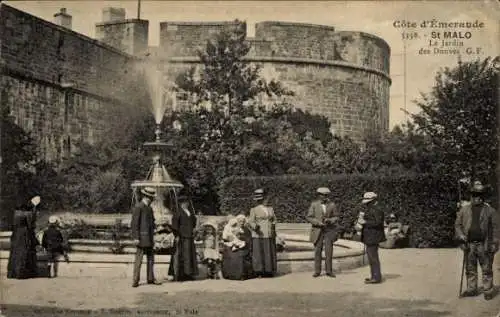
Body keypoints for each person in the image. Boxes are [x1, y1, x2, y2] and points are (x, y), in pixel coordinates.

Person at [455, 181, 499, 300]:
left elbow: (496, 229)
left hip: (484, 244)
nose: (477, 198)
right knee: (470, 268)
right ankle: (472, 289)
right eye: (474, 195)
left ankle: (488, 290)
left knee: (486, 268)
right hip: (469, 244)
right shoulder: (464, 210)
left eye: (480, 195)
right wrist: (461, 235)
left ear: (483, 197)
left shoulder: (490, 211)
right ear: (471, 196)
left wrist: (494, 243)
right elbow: (457, 225)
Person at [306, 187, 342, 278]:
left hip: (329, 231)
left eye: (326, 195)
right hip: (317, 230)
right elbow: (309, 217)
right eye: (322, 195)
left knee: (329, 251)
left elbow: (337, 217)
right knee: (317, 251)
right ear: (319, 195)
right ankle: (317, 271)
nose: (324, 197)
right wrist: (317, 222)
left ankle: (329, 271)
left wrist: (330, 220)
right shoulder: (314, 204)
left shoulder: (332, 205)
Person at [130, 187, 161, 288]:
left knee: (151, 259)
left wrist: (156, 229)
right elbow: (134, 224)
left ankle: (150, 278)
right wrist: (136, 237)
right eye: (151, 197)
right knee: (138, 260)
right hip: (142, 238)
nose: (152, 200)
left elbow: (152, 222)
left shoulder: (149, 208)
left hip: (150, 238)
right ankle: (135, 280)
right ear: (146, 197)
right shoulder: (139, 207)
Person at [7, 196, 41, 279]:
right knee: (24, 252)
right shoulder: (27, 213)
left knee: (15, 253)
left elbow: (13, 225)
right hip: (24, 234)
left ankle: (13, 273)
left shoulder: (16, 213)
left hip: (16, 233)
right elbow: (31, 225)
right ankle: (22, 273)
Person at [247, 189, 278, 277]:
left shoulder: (270, 209)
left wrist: (273, 224)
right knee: (259, 253)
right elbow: (250, 221)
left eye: (266, 199)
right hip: (259, 234)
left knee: (269, 252)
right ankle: (259, 271)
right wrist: (255, 227)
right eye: (264, 199)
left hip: (269, 233)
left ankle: (269, 271)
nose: (266, 201)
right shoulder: (254, 210)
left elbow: (274, 219)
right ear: (260, 200)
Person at [169, 196, 198, 281]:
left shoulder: (190, 212)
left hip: (189, 236)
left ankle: (189, 274)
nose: (187, 204)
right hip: (181, 237)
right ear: (181, 203)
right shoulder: (178, 212)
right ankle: (179, 275)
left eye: (187, 202)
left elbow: (194, 222)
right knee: (181, 256)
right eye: (185, 202)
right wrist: (177, 235)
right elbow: (174, 225)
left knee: (189, 256)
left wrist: (193, 229)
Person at [359, 192, 386, 284]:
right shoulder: (371, 209)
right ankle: (373, 276)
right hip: (370, 236)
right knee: (371, 257)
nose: (367, 203)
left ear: (373, 200)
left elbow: (378, 223)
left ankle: (376, 277)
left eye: (368, 201)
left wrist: (365, 222)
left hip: (373, 236)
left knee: (373, 257)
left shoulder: (377, 209)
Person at [221, 215, 253, 280]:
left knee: (240, 255)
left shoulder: (246, 229)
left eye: (243, 221)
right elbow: (225, 237)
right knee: (231, 254)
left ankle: (241, 275)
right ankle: (229, 274)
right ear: (236, 221)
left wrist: (241, 238)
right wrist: (230, 239)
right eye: (240, 221)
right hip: (230, 245)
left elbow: (248, 240)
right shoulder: (229, 227)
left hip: (242, 246)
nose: (242, 223)